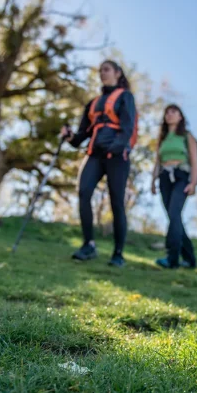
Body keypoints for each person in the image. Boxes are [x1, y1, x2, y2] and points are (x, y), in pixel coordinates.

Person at [61, 60, 137, 266]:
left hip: (116, 155)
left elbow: (128, 127)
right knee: (83, 192)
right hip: (94, 154)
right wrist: (69, 136)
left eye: (106, 69)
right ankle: (89, 245)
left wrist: (116, 147)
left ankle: (118, 253)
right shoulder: (93, 104)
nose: (102, 73)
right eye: (100, 70)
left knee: (116, 202)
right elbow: (80, 137)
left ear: (118, 73)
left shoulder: (125, 97)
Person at [151, 105, 197, 269]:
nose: (169, 115)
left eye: (173, 112)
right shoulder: (162, 138)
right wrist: (153, 181)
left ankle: (172, 258)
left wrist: (193, 182)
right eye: (167, 112)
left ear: (180, 117)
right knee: (174, 217)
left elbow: (194, 161)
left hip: (181, 176)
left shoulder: (187, 136)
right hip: (164, 177)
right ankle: (190, 258)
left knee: (174, 213)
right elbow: (157, 161)